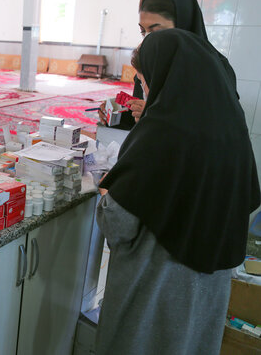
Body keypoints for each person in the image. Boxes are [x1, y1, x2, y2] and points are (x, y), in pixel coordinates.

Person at [96, 28, 260, 355]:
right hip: (208, 294)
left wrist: (105, 195)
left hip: (155, 294)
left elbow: (119, 223)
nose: (145, 89)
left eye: (145, 80)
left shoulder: (162, 130)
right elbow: (248, 199)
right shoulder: (231, 124)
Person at [99, 0, 235, 128]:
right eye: (143, 32)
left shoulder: (215, 71)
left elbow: (211, 129)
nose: (147, 41)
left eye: (156, 32)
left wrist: (155, 115)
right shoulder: (150, 65)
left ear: (183, 26)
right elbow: (141, 120)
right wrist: (119, 115)